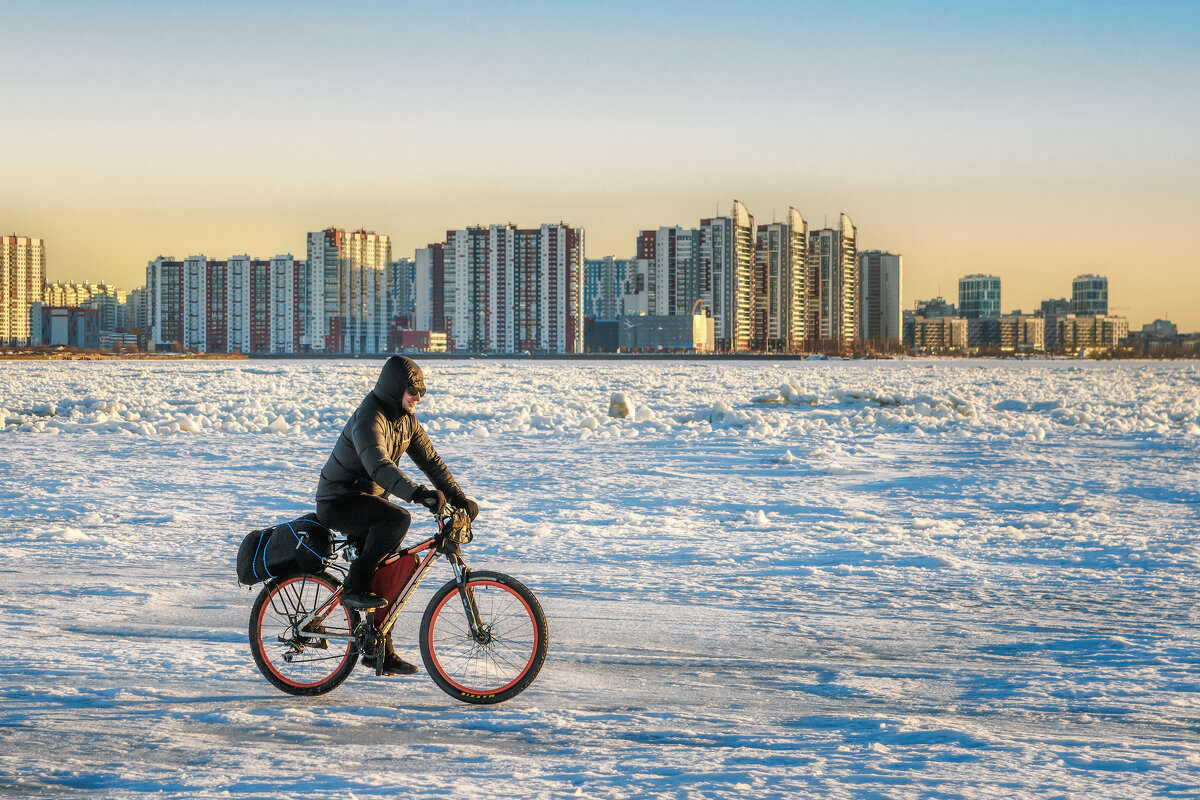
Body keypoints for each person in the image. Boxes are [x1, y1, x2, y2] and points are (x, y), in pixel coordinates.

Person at [315, 356, 478, 676]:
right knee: (398, 519)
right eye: (413, 390)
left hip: (369, 503)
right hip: (339, 501)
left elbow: (431, 462)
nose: (418, 397)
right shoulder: (369, 419)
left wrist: (459, 498)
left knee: (397, 569)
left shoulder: (406, 420)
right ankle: (354, 586)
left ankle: (380, 651)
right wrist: (418, 494)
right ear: (395, 388)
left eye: (422, 392)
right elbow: (379, 465)